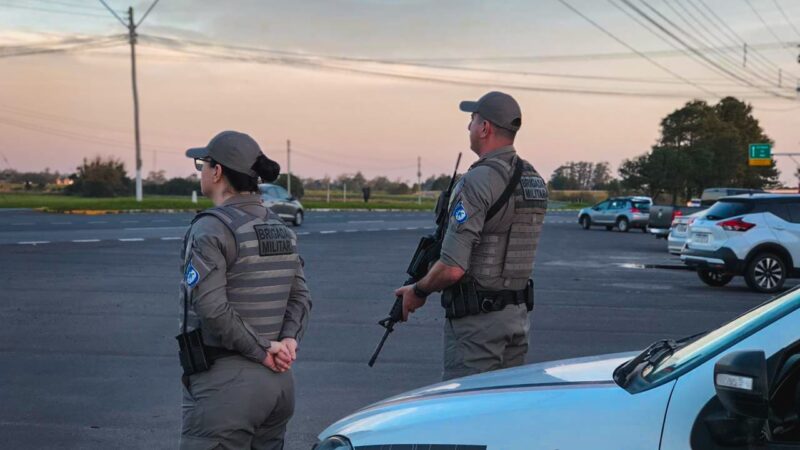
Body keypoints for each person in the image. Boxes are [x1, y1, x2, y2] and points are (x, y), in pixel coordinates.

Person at [394, 91, 548, 381]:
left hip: (478, 327)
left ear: (485, 128)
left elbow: (452, 268)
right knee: (503, 414)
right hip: (516, 319)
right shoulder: (534, 179)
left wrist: (418, 290)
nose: (469, 127)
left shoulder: (479, 180)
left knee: (465, 415)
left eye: (472, 120)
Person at [178, 130, 312, 449]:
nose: (201, 171)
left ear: (218, 171)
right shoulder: (279, 227)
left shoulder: (212, 227)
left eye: (203, 164)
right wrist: (288, 341)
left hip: (227, 388)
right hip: (279, 385)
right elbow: (300, 296)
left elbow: (212, 308)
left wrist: (262, 351)